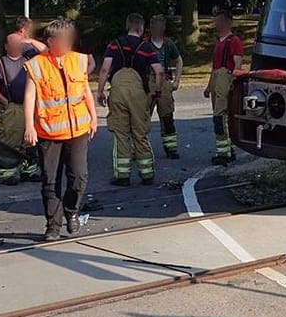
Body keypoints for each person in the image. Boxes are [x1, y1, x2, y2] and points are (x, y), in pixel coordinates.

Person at [23, 18, 97, 239]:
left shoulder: (79, 61)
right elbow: (29, 95)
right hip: (49, 132)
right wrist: (29, 125)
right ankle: (52, 226)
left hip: (78, 130)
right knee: (50, 180)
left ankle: (71, 211)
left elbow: (85, 91)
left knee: (79, 177)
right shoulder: (37, 65)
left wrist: (94, 118)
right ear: (51, 41)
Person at [97, 13, 164, 186]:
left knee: (121, 134)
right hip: (138, 92)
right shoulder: (146, 47)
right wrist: (156, 90)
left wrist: (100, 91)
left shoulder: (114, 44)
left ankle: (122, 176)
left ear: (127, 26)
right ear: (141, 28)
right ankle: (147, 174)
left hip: (118, 91)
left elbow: (105, 69)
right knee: (140, 133)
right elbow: (159, 71)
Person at [0, 32, 40, 185]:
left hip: (29, 106)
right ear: (6, 46)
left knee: (30, 141)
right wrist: (5, 102)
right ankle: (8, 173)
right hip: (12, 107)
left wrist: (31, 40)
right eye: (15, 44)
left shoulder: (29, 61)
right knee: (10, 140)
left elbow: (45, 51)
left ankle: (29, 169)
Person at [204, 9, 243, 165]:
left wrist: (233, 81)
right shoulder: (219, 42)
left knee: (219, 117)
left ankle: (224, 152)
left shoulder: (233, 41)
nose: (216, 25)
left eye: (219, 21)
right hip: (217, 80)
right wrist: (209, 87)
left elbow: (237, 63)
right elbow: (214, 68)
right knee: (218, 115)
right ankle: (227, 148)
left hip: (225, 80)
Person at [147, 14, 183, 159]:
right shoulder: (145, 44)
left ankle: (171, 148)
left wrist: (177, 81)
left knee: (167, 116)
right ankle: (140, 148)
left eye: (160, 26)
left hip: (165, 82)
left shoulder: (168, 44)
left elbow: (179, 60)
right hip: (148, 81)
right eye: (154, 26)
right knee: (143, 117)